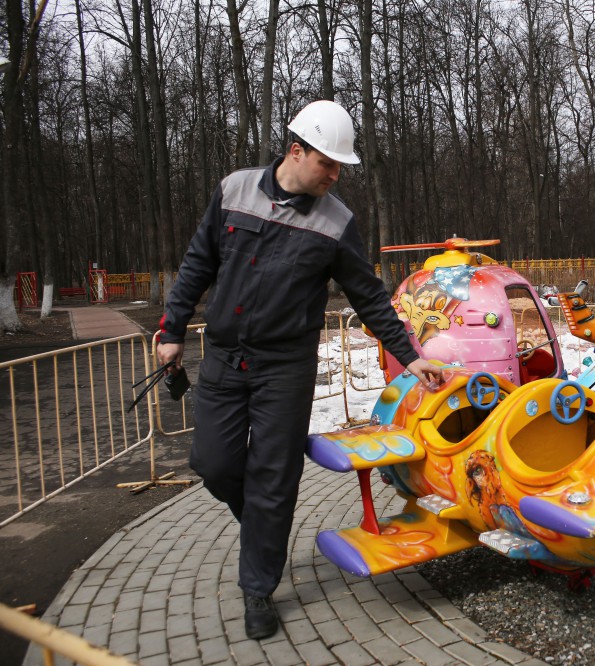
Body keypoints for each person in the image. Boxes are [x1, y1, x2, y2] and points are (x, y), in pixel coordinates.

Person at [156, 100, 444, 640]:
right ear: (296, 150)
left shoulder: (336, 223)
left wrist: (411, 355)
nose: (335, 176)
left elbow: (370, 296)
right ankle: (265, 530)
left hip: (284, 368)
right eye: (328, 164)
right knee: (213, 464)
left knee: (273, 478)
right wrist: (171, 330)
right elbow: (199, 263)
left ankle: (258, 588)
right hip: (222, 358)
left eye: (339, 167)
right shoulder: (234, 190)